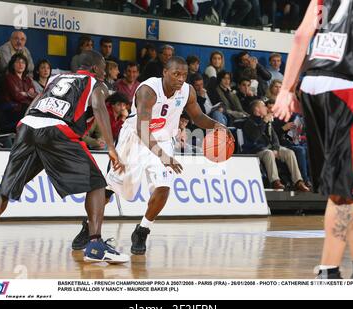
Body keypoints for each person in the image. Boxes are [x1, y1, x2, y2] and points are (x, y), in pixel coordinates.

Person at [0, 50, 129, 264]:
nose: (105, 73)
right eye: (103, 69)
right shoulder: (95, 83)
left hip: (28, 126)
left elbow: (34, 103)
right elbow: (99, 107)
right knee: (98, 184)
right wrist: (111, 146)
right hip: (57, 131)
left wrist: (25, 130)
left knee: (4, 188)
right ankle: (95, 245)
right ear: (96, 69)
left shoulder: (56, 79)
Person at [71, 56, 233, 255]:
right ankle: (89, 227)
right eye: (176, 74)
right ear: (165, 72)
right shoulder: (148, 90)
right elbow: (143, 129)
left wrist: (217, 125)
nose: (181, 79)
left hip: (164, 138)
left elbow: (197, 116)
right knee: (109, 189)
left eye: (184, 75)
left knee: (163, 188)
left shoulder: (187, 91)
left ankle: (142, 230)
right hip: (135, 139)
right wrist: (163, 156)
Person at [272, 0, 353, 279]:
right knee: (344, 188)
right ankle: (328, 270)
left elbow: (301, 36)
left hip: (312, 85)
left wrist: (287, 89)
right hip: (349, 88)